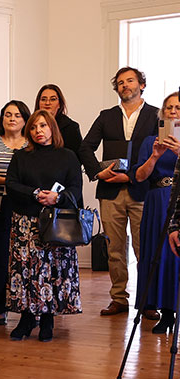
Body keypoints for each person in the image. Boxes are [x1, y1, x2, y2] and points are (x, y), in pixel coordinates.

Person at [79, 66, 160, 316]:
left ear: (141, 85)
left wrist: (134, 174)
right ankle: (119, 298)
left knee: (143, 247)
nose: (125, 85)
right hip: (110, 191)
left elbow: (163, 153)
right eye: (121, 83)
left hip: (143, 190)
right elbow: (85, 148)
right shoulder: (106, 116)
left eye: (130, 81)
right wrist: (97, 172)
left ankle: (148, 301)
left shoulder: (157, 115)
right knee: (115, 249)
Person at [4, 110, 83, 341]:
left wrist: (56, 198)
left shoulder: (68, 156)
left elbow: (76, 188)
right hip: (25, 222)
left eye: (43, 126)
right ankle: (27, 319)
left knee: (52, 273)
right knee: (26, 272)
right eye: (34, 127)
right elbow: (11, 184)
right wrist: (35, 193)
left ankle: (48, 320)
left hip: (57, 222)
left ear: (52, 129)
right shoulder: (21, 156)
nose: (38, 131)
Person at [134, 92, 180, 332]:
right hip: (155, 200)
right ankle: (165, 312)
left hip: (178, 201)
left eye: (178, 107)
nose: (173, 111)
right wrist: (155, 155)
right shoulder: (150, 140)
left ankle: (175, 308)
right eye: (169, 107)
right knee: (156, 254)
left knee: (175, 254)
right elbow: (140, 176)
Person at [0, 100, 29, 325]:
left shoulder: (30, 146)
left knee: (24, 259)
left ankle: (28, 307)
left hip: (24, 207)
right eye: (8, 114)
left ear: (25, 120)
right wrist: (11, 182)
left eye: (17, 115)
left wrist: (15, 186)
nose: (12, 119)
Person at [35, 84, 83, 156]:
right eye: (43, 99)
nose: (47, 103)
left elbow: (77, 157)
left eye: (53, 99)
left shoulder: (71, 127)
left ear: (59, 104)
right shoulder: (30, 125)